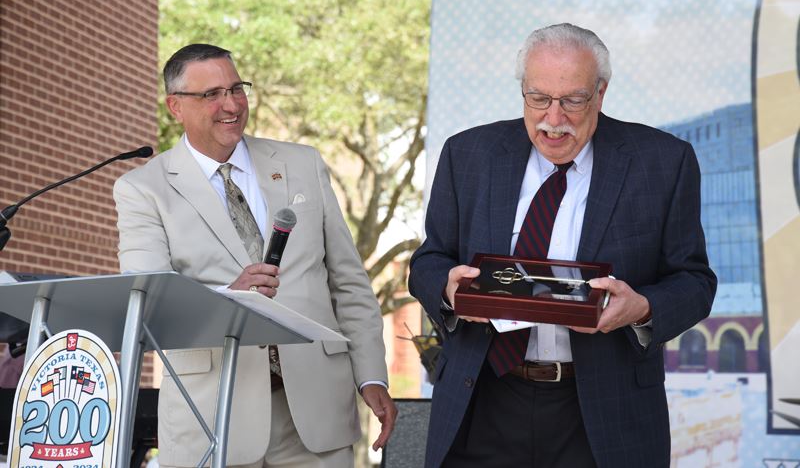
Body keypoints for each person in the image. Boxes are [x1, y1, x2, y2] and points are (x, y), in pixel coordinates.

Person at [408, 23, 716, 468]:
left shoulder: (662, 162)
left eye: (573, 100)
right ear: (523, 92)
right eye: (539, 99)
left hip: (602, 414)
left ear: (600, 93)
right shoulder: (467, 155)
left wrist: (643, 307)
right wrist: (448, 290)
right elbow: (429, 261)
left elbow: (695, 282)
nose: (554, 119)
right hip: (485, 400)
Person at [114, 43, 397, 468]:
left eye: (236, 88)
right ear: (175, 106)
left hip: (317, 414)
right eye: (211, 94)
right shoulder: (143, 189)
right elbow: (151, 306)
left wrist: (372, 375)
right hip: (212, 420)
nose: (230, 105)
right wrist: (229, 296)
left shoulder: (303, 165)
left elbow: (348, 281)